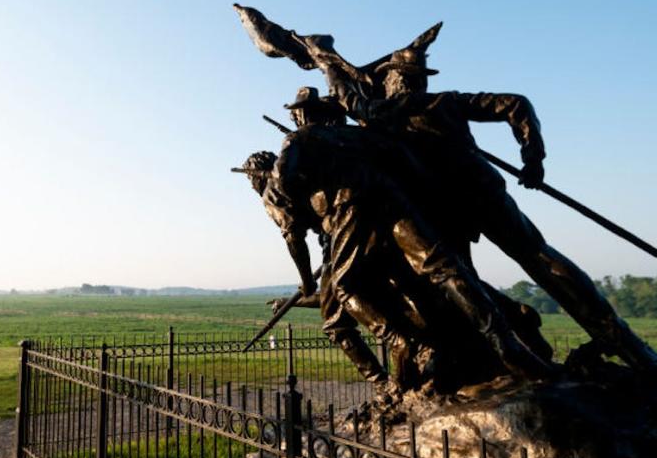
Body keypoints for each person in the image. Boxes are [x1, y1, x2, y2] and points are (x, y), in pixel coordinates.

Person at [325, 24, 657, 370]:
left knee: (460, 275)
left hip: (449, 205)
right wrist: (532, 156)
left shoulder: (388, 112)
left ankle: (494, 352)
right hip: (478, 191)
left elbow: (355, 105)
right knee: (537, 257)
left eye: (388, 79)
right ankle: (613, 334)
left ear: (397, 80)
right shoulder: (449, 102)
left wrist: (330, 70)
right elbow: (516, 104)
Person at [234, 121, 555, 384]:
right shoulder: (338, 143)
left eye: (250, 179)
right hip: (376, 210)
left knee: (339, 317)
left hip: (342, 230)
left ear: (254, 174)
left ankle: (390, 368)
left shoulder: (272, 188)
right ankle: (508, 314)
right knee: (424, 275)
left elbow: (293, 238)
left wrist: (305, 284)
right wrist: (300, 297)